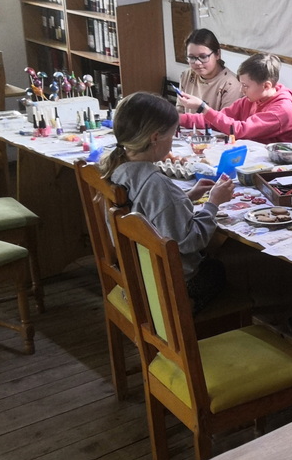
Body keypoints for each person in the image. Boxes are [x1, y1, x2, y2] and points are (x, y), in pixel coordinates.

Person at [100, 91, 235, 313]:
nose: (172, 144)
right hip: (169, 288)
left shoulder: (117, 169)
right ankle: (185, 312)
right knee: (217, 268)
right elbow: (191, 240)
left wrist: (187, 196)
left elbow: (149, 211)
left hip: (139, 277)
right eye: (172, 136)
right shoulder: (156, 183)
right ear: (155, 138)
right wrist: (213, 203)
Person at [177, 53, 292, 144]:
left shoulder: (282, 110)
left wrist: (203, 107)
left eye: (245, 86)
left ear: (266, 86)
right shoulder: (251, 99)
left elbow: (240, 130)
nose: (241, 90)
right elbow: (215, 119)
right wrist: (177, 118)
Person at [177, 28, 243, 112]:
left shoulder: (231, 85)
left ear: (217, 54)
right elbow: (180, 109)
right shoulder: (187, 75)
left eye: (203, 57)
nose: (197, 62)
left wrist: (201, 107)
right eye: (191, 57)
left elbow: (224, 119)